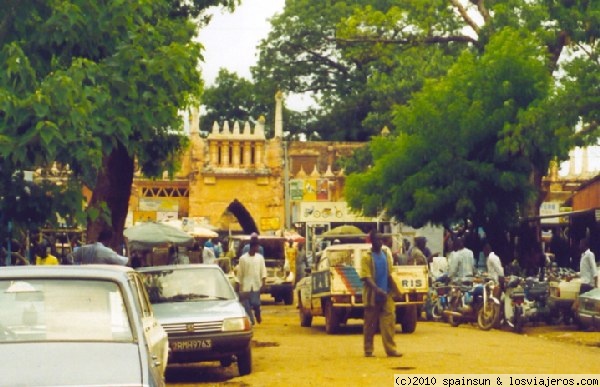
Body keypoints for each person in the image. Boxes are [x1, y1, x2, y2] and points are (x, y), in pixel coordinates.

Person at [360, 231, 402, 358]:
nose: (380, 242)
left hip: (386, 295)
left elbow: (390, 273)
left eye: (381, 240)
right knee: (370, 325)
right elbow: (366, 277)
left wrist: (396, 289)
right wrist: (377, 289)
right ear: (372, 241)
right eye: (378, 240)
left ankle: (391, 350)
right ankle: (368, 349)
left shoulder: (385, 255)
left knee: (389, 323)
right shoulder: (366, 257)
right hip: (373, 296)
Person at [237, 238, 267, 325]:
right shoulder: (243, 259)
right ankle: (251, 320)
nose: (258, 249)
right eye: (257, 247)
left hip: (256, 284)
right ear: (253, 247)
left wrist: (263, 283)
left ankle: (258, 313)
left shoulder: (260, 258)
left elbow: (263, 270)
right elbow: (240, 273)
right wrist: (239, 285)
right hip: (246, 285)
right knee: (246, 305)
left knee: (256, 303)